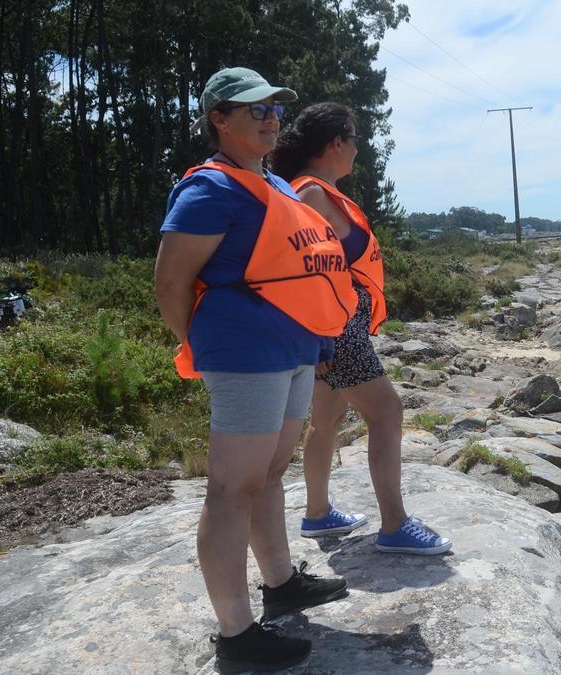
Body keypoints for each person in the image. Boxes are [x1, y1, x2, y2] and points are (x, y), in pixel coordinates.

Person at [154, 68, 357, 674]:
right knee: (231, 488)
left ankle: (282, 582)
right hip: (246, 355)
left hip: (295, 350)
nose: (270, 118)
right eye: (254, 110)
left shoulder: (279, 186)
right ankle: (237, 634)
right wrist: (213, 347)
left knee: (270, 473)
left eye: (273, 109)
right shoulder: (209, 190)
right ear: (220, 119)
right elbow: (170, 285)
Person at [270, 103, 451, 555]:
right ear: (336, 143)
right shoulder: (310, 194)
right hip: (334, 327)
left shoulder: (313, 190)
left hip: (331, 326)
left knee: (327, 419)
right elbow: (301, 271)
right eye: (355, 140)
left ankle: (317, 514)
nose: (357, 149)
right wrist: (321, 335)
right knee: (387, 412)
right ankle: (395, 525)